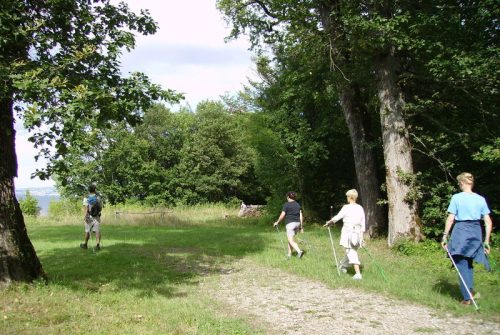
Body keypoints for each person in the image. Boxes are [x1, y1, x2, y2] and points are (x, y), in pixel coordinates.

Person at [441, 172, 492, 305]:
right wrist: (486, 241)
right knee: (468, 263)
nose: (459, 185)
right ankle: (469, 292)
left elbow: (450, 218)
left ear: (462, 183)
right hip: (476, 231)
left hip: (461, 231)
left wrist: (445, 236)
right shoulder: (480, 199)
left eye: (458, 183)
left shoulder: (456, 198)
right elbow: (488, 221)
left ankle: (467, 297)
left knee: (460, 262)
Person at [324, 189, 365, 280]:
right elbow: (363, 222)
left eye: (347, 196)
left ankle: (358, 274)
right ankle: (342, 266)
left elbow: (338, 217)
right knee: (350, 251)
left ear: (350, 197)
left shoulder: (346, 207)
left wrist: (329, 222)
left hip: (349, 232)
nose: (346, 198)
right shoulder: (360, 208)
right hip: (358, 233)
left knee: (351, 252)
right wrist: (362, 235)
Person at [273, 191, 305, 259]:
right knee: (290, 239)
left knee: (290, 240)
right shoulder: (297, 205)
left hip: (290, 224)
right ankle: (289, 254)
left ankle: (299, 251)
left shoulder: (286, 204)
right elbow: (301, 215)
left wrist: (277, 222)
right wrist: (301, 226)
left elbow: (283, 214)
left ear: (288, 197)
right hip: (297, 223)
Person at [80, 184, 102, 251]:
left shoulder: (86, 198)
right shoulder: (98, 197)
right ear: (95, 190)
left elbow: (86, 208)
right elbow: (100, 208)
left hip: (89, 216)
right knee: (97, 230)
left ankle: (85, 244)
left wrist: (85, 216)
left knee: (87, 231)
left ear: (89, 190)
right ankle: (98, 245)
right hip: (97, 216)